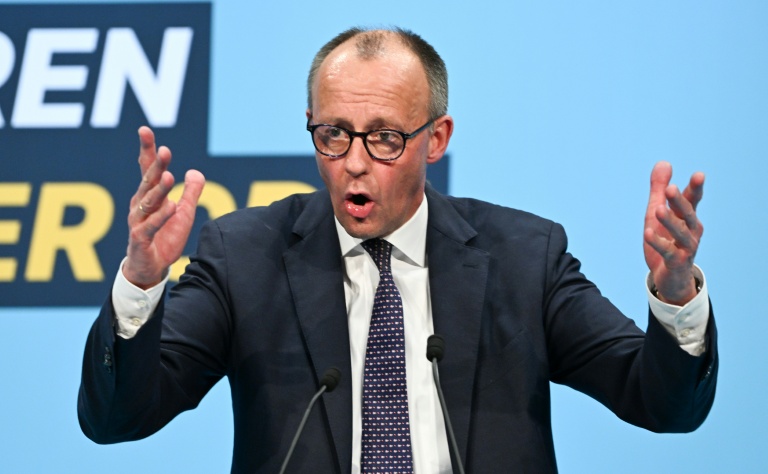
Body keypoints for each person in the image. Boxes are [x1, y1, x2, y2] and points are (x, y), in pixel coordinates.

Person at [78, 27, 717, 473]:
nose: (354, 163)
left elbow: (662, 403)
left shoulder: (525, 258)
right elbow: (116, 420)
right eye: (333, 134)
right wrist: (141, 282)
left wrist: (675, 296)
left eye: (384, 137)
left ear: (435, 138)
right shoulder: (244, 256)